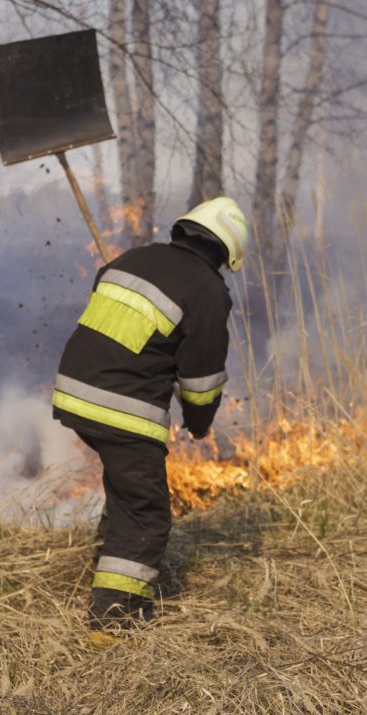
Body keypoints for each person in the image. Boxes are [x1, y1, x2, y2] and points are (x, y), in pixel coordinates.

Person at [52, 196, 249, 632]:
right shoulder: (207, 290)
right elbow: (201, 377)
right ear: (225, 253)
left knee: (128, 492)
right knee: (146, 513)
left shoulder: (134, 258)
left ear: (185, 231)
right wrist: (199, 425)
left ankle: (103, 569)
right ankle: (114, 621)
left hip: (73, 390)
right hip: (124, 407)